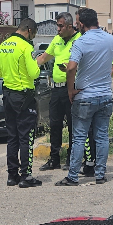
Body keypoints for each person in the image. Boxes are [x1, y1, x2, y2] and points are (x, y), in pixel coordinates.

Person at [57, 8, 113, 186]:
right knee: (102, 136)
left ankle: (73, 176)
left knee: (79, 137)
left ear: (81, 23)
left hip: (85, 97)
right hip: (105, 95)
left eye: (77, 22)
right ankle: (100, 175)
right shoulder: (110, 39)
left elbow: (71, 67)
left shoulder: (81, 42)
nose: (76, 25)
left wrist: (70, 90)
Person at [0, 18, 42, 188]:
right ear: (29, 30)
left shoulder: (3, 45)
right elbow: (34, 73)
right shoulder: (26, 47)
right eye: (34, 33)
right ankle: (26, 176)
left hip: (7, 96)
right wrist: (37, 64)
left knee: (12, 137)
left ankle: (11, 175)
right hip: (23, 97)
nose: (33, 37)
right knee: (26, 137)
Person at [36, 13, 81, 172]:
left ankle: (71, 157)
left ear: (70, 26)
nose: (58, 29)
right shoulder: (56, 40)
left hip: (72, 88)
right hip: (56, 89)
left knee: (73, 125)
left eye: (61, 26)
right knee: (55, 124)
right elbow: (42, 59)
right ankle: (54, 158)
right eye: (58, 25)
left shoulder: (79, 39)